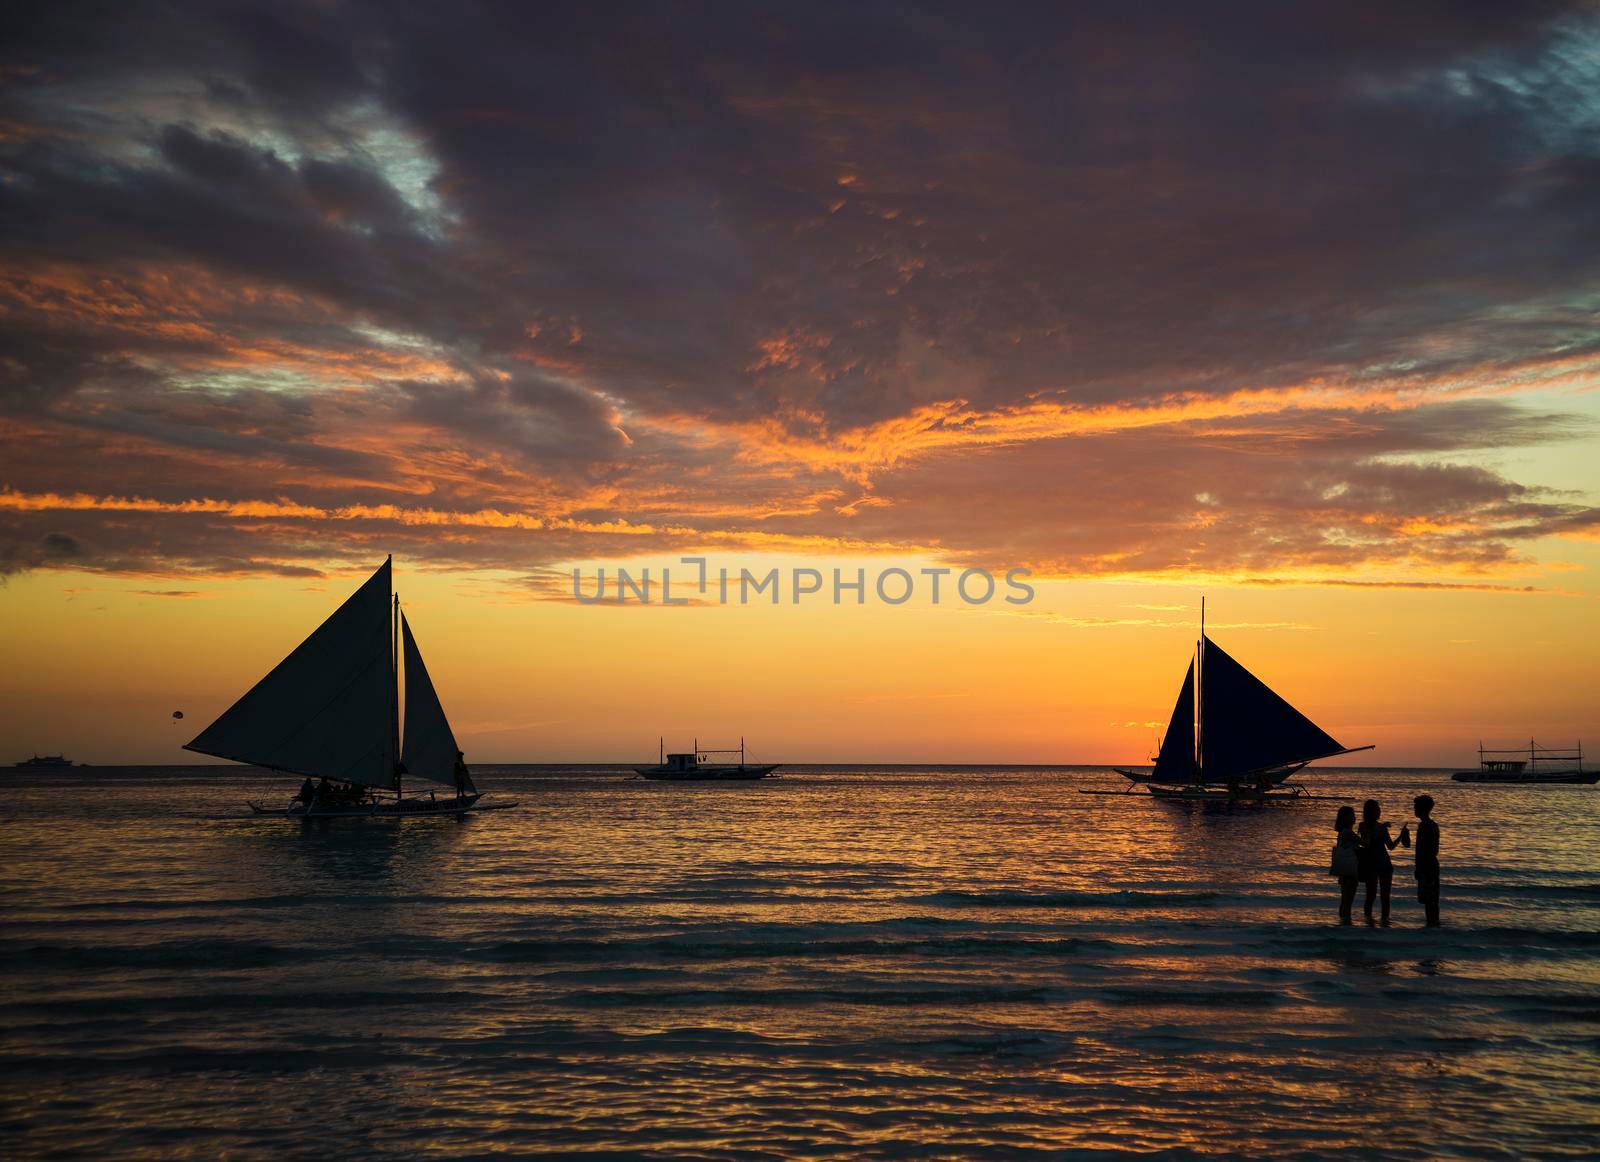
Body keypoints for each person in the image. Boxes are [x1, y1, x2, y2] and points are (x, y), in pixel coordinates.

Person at [1358, 799, 1407, 925]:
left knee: (1385, 898)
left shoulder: (1382, 827)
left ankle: (1385, 923)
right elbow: (1366, 844)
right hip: (1370, 865)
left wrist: (1401, 836)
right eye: (1377, 809)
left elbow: (1390, 847)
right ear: (1370, 812)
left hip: (1385, 864)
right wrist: (1380, 828)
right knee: (1371, 896)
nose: (1380, 811)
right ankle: (1369, 923)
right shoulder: (1362, 826)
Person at [1414, 794, 1440, 926]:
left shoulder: (1424, 826)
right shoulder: (1433, 825)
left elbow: (1423, 850)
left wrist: (1419, 868)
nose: (1414, 809)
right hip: (1433, 864)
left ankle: (1431, 925)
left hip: (1427, 866)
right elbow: (1434, 850)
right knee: (1433, 898)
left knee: (1429, 898)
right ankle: (1434, 924)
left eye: (1416, 806)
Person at [1332, 805, 1361, 924]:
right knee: (1348, 902)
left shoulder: (1342, 832)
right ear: (1347, 818)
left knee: (1344, 900)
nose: (1355, 817)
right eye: (1353, 815)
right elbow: (1365, 843)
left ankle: (1343, 925)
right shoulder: (1348, 833)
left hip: (1343, 871)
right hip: (1350, 871)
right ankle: (1346, 925)